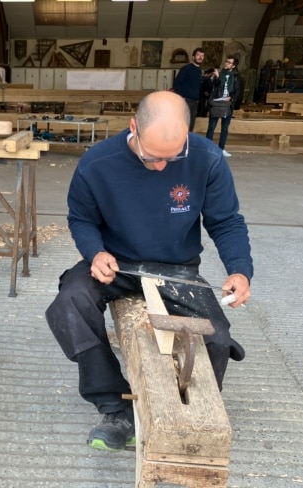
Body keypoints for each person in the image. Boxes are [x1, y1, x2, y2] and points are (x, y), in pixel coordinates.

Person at [45, 91, 253, 453]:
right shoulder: (97, 164)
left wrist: (240, 270)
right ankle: (115, 407)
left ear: (187, 134)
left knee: (217, 337)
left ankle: (184, 414)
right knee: (70, 302)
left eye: (172, 158)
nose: (161, 166)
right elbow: (81, 219)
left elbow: (226, 221)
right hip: (118, 263)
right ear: (133, 129)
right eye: (152, 157)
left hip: (176, 268)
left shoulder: (208, 158)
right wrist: (95, 253)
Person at [206, 55, 241, 158]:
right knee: (211, 126)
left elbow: (238, 91)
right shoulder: (220, 73)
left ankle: (221, 149)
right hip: (217, 102)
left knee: (224, 128)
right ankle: (208, 148)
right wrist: (217, 76)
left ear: (233, 66)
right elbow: (215, 85)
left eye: (229, 62)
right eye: (226, 61)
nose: (226, 63)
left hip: (228, 104)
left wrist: (231, 98)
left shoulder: (236, 77)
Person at [172, 47, 205, 131]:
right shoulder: (186, 69)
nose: (200, 57)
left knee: (191, 126)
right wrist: (181, 98)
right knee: (182, 124)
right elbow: (176, 83)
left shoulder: (199, 71)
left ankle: (187, 143)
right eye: (198, 55)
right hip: (186, 100)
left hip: (195, 102)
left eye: (202, 55)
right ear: (193, 57)